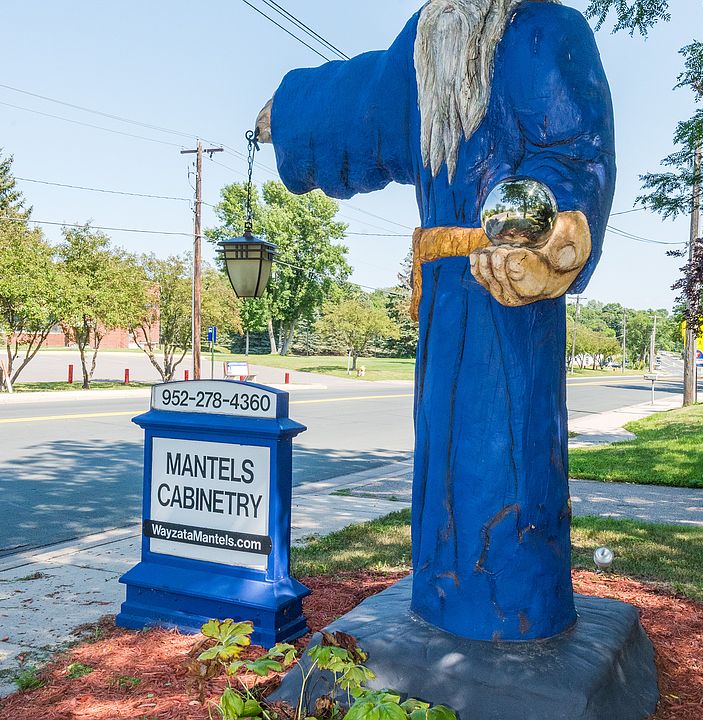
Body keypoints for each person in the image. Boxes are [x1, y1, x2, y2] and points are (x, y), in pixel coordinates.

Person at [257, 0, 615, 641]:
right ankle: (442, 598)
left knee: (504, 454)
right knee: (441, 461)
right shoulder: (427, 45)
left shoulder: (544, 30)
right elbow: (365, 103)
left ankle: (512, 613)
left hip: (511, 296)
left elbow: (573, 154)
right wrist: (290, 112)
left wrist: (556, 235)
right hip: (444, 296)